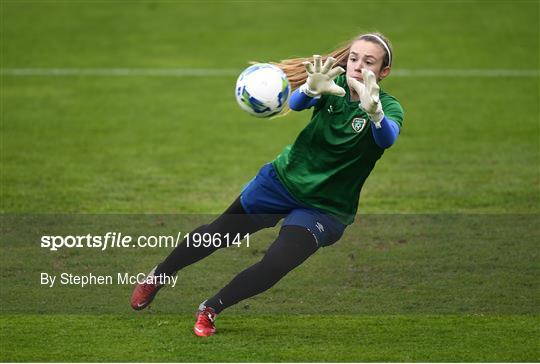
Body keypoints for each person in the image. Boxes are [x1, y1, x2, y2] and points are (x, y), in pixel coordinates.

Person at [130, 32, 404, 337]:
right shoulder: (332, 85)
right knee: (216, 235)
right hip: (282, 182)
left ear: (383, 72)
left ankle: (211, 307)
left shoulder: (389, 107)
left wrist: (375, 114)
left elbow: (386, 138)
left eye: (368, 62)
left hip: (325, 207)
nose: (356, 66)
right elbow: (298, 104)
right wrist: (310, 90)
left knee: (276, 263)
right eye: (354, 58)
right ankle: (160, 274)